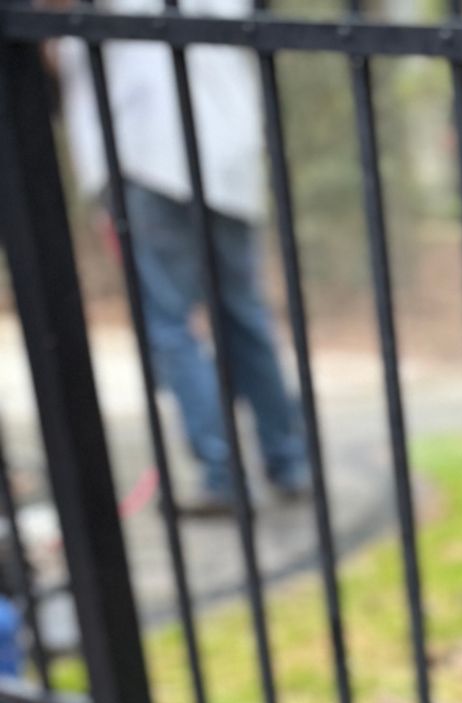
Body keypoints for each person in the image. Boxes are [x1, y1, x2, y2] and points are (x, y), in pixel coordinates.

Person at [57, 0, 307, 515]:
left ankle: (221, 474)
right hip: (227, 159)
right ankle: (288, 460)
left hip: (146, 154)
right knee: (242, 315)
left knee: (169, 323)